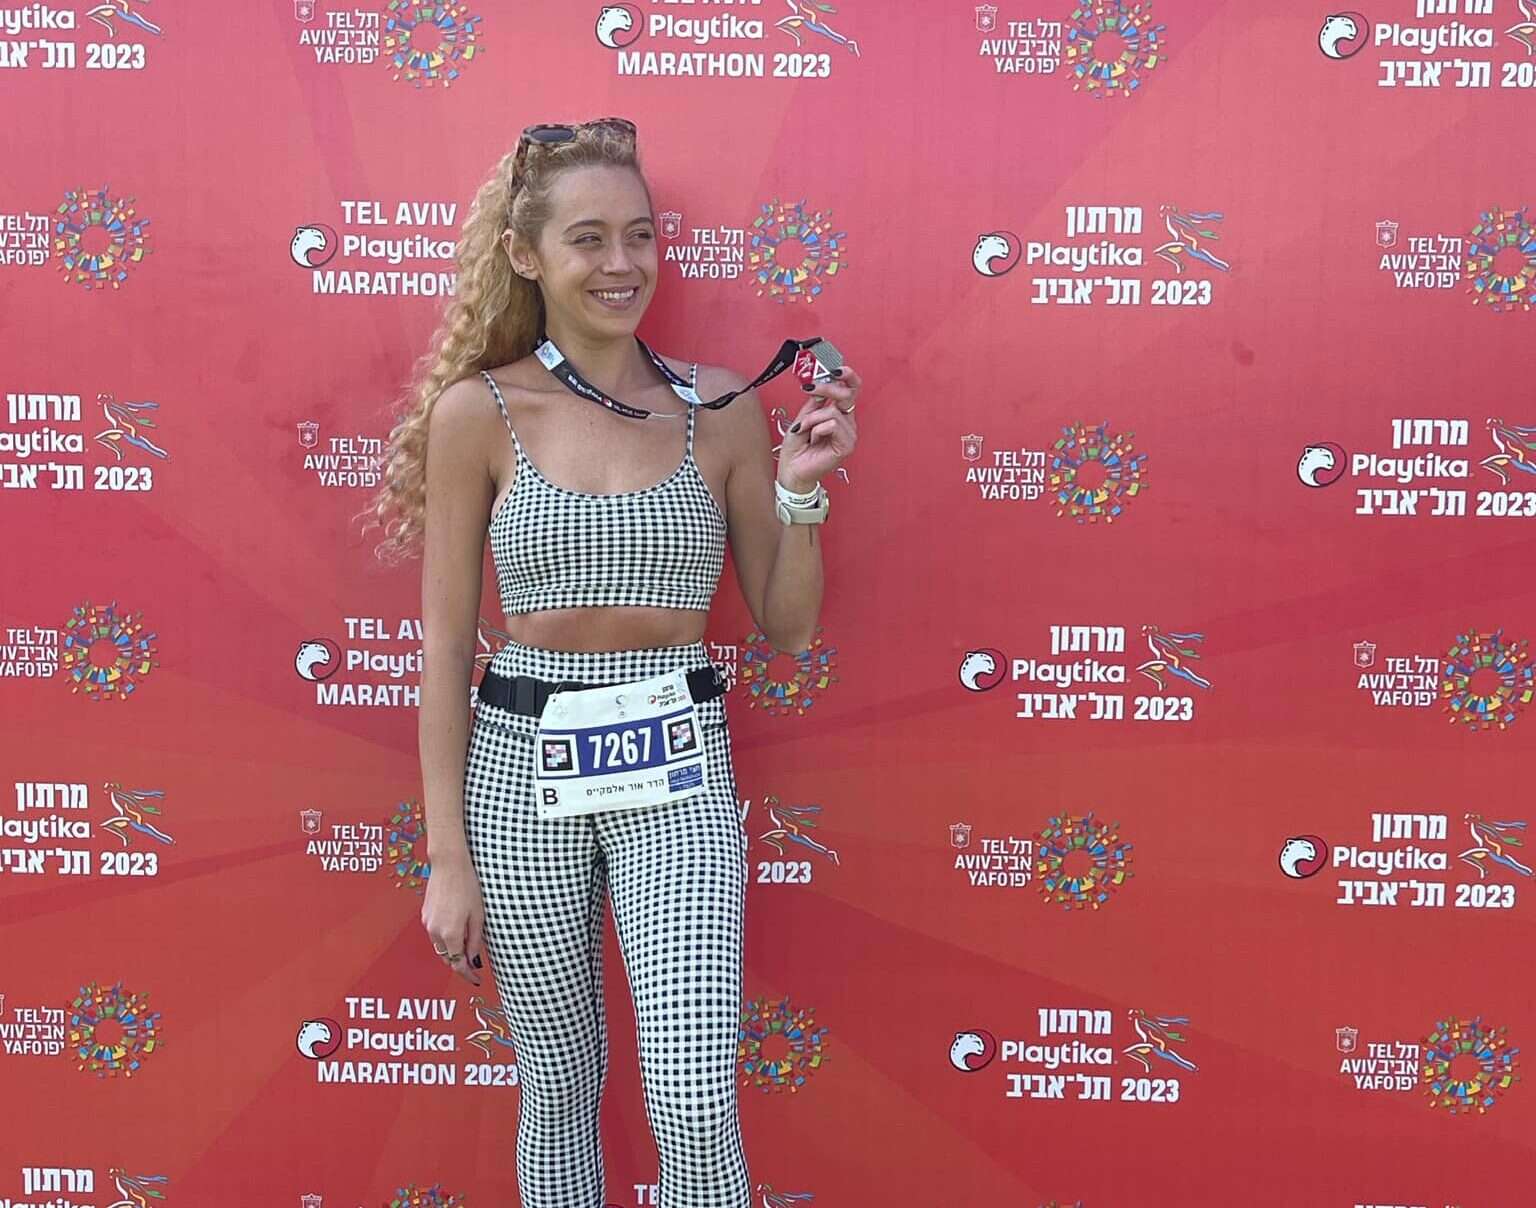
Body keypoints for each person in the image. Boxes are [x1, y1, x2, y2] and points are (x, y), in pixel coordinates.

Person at [363, 117, 860, 1208]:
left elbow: (786, 627)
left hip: (676, 773)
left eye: (639, 235)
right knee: (559, 1085)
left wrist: (800, 490)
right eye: (588, 238)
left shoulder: (719, 409)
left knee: (693, 1097)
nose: (622, 263)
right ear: (526, 254)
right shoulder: (479, 413)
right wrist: (447, 858)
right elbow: (444, 648)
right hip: (516, 774)